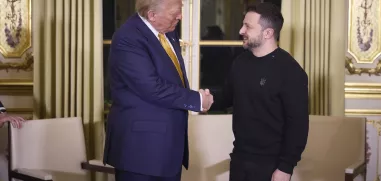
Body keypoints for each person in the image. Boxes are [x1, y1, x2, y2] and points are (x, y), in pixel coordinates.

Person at [102, 0, 214, 180]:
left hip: (167, 151)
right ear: (152, 15)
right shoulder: (128, 37)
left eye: (180, 10)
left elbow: (170, 79)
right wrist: (197, 100)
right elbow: (151, 87)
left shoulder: (167, 32)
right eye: (174, 13)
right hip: (140, 152)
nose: (180, 16)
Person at [219, 2, 309, 181]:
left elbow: (298, 126)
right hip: (239, 158)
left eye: (248, 26)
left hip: (271, 165)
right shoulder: (240, 62)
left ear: (268, 33)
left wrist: (285, 168)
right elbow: (226, 97)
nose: (241, 31)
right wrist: (194, 99)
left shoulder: (290, 71)